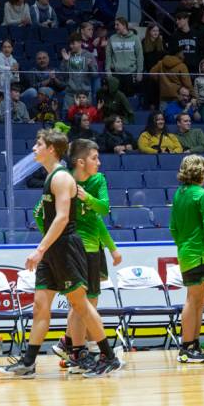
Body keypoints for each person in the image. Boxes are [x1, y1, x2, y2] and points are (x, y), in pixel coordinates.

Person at [0, 129, 123, 378]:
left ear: (51, 149)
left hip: (65, 247)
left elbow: (63, 218)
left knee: (80, 304)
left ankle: (108, 356)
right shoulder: (51, 176)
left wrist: (39, 249)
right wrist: (45, 248)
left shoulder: (62, 178)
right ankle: (29, 362)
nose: (34, 148)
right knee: (40, 306)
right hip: (53, 249)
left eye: (38, 144)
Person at [49, 139, 122, 371]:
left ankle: (71, 347)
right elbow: (39, 212)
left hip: (93, 250)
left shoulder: (98, 180)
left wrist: (111, 248)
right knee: (81, 304)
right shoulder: (65, 180)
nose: (99, 163)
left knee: (86, 303)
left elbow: (103, 210)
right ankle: (75, 349)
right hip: (74, 249)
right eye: (94, 158)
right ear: (80, 162)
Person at [170, 155, 204, 364]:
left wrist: (183, 244)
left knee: (198, 300)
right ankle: (186, 346)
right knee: (194, 300)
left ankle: (193, 343)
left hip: (186, 252)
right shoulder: (202, 195)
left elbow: (173, 228)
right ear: (199, 172)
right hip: (201, 253)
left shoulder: (179, 193)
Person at [106, 17, 143, 97]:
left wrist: (139, 72)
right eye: (115, 25)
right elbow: (108, 56)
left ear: (124, 25)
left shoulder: (135, 38)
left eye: (117, 25)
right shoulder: (112, 38)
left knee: (129, 98)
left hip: (130, 74)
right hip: (116, 74)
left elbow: (139, 56)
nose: (115, 27)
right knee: (116, 98)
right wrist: (108, 70)